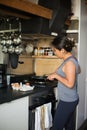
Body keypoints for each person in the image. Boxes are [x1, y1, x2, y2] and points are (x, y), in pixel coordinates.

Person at [47, 36, 81, 130]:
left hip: (67, 100)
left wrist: (57, 76)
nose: (54, 53)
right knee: (69, 126)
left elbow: (70, 84)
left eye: (55, 51)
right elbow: (79, 70)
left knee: (57, 127)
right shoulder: (72, 59)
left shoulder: (69, 62)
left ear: (62, 50)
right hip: (71, 99)